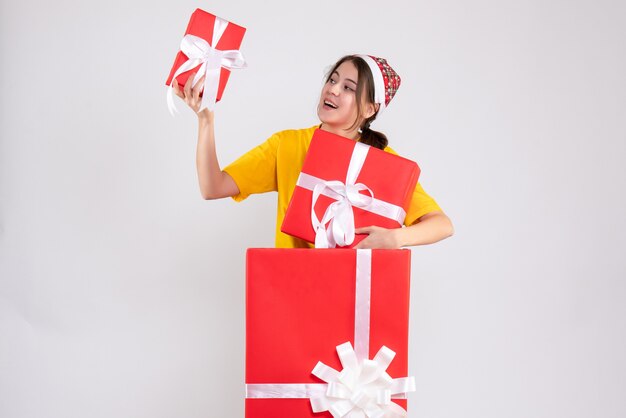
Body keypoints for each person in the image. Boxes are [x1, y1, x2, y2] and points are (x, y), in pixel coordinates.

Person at [172, 54, 454, 249]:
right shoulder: (288, 145)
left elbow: (442, 225)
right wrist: (205, 120)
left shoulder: (384, 163)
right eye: (332, 80)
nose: (332, 90)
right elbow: (213, 186)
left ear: (370, 108)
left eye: (348, 88)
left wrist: (395, 238)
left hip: (354, 294)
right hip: (293, 290)